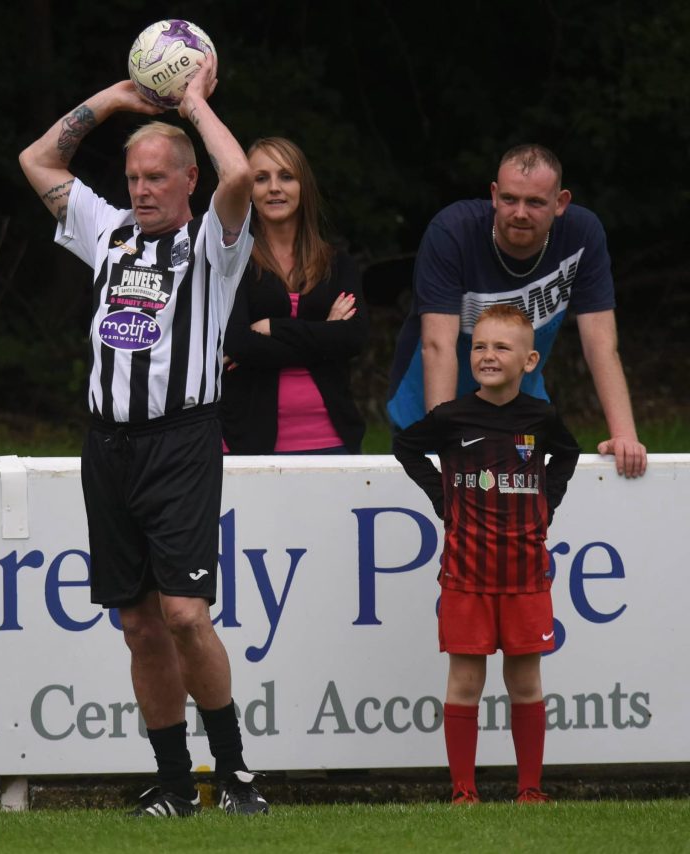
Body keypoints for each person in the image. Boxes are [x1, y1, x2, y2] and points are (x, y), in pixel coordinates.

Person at [18, 56, 269, 817]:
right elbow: (38, 159)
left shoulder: (213, 245)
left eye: (157, 177)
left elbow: (240, 176)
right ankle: (173, 782)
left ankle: (235, 774)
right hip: (109, 446)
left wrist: (192, 102)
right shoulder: (108, 232)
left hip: (182, 441)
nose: (142, 190)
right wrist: (116, 100)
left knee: (186, 613)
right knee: (138, 624)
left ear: (186, 182)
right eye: (133, 178)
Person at [392, 304, 581, 804]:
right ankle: (463, 791)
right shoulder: (453, 415)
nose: (488, 356)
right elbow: (405, 446)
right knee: (466, 681)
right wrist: (443, 499)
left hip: (525, 575)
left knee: (524, 681)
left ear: (529, 360)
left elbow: (568, 453)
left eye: (501, 348)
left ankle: (530, 789)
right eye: (479, 346)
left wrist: (546, 503)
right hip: (466, 575)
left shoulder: (540, 417)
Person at [387, 143, 646, 478]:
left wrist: (624, 436)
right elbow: (438, 345)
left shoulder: (583, 234)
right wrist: (446, 439)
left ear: (560, 203)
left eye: (535, 202)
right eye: (510, 199)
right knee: (443, 523)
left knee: (522, 524)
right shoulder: (453, 232)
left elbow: (600, 341)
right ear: (494, 195)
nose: (520, 212)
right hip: (429, 410)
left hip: (519, 410)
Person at [220, 137, 368, 454]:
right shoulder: (233, 263)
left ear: (304, 186)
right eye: (261, 178)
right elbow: (239, 344)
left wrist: (275, 327)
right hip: (249, 441)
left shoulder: (337, 263)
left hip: (332, 439)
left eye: (286, 176)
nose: (274, 187)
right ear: (248, 189)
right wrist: (325, 333)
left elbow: (353, 338)